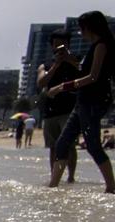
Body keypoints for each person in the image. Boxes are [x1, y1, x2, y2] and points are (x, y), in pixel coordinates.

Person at [46, 11, 115, 193]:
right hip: (83, 101)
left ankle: (111, 187)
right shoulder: (94, 46)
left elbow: (93, 77)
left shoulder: (102, 46)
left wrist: (62, 86)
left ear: (90, 28)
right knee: (62, 143)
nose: (80, 33)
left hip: (94, 101)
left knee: (93, 145)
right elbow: (84, 69)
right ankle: (53, 187)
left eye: (81, 28)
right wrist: (69, 59)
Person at [39, 29, 82, 184]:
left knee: (69, 145)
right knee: (53, 146)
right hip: (50, 111)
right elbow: (41, 82)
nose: (60, 48)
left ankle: (71, 176)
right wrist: (56, 65)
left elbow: (86, 71)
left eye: (63, 45)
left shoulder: (77, 60)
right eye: (56, 45)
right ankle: (54, 176)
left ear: (69, 44)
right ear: (52, 46)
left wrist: (69, 60)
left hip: (70, 109)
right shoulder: (46, 65)